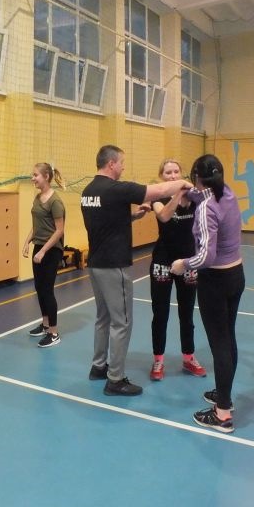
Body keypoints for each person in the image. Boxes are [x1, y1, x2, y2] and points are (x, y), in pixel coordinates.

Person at [81, 145, 192, 397]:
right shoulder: (117, 188)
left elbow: (104, 221)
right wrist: (184, 183)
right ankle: (115, 379)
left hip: (95, 263)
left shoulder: (89, 191)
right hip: (113, 265)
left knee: (103, 318)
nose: (123, 167)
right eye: (121, 163)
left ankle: (98, 366)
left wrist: (132, 216)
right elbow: (160, 190)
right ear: (111, 164)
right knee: (122, 322)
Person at [171, 154, 244, 434]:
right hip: (236, 275)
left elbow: (206, 256)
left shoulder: (205, 209)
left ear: (197, 177)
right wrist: (186, 190)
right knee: (228, 337)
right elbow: (201, 194)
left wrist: (183, 264)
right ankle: (225, 394)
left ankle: (222, 413)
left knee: (219, 344)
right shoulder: (228, 193)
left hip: (216, 280)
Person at [148, 159, 205, 381]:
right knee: (160, 313)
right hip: (162, 262)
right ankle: (158, 360)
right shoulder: (157, 197)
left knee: (187, 313)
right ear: (162, 176)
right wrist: (177, 194)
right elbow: (163, 216)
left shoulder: (194, 198)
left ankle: (188, 357)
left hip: (188, 262)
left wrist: (190, 191)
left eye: (176, 172)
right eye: (168, 173)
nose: (172, 176)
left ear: (182, 174)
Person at [22, 163, 66, 348]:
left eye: (35, 175)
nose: (32, 178)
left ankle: (54, 333)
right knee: (39, 288)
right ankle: (45, 324)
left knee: (47, 290)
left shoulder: (55, 202)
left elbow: (59, 230)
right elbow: (37, 225)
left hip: (52, 249)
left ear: (46, 177)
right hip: (39, 247)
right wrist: (27, 242)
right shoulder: (37, 198)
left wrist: (43, 250)